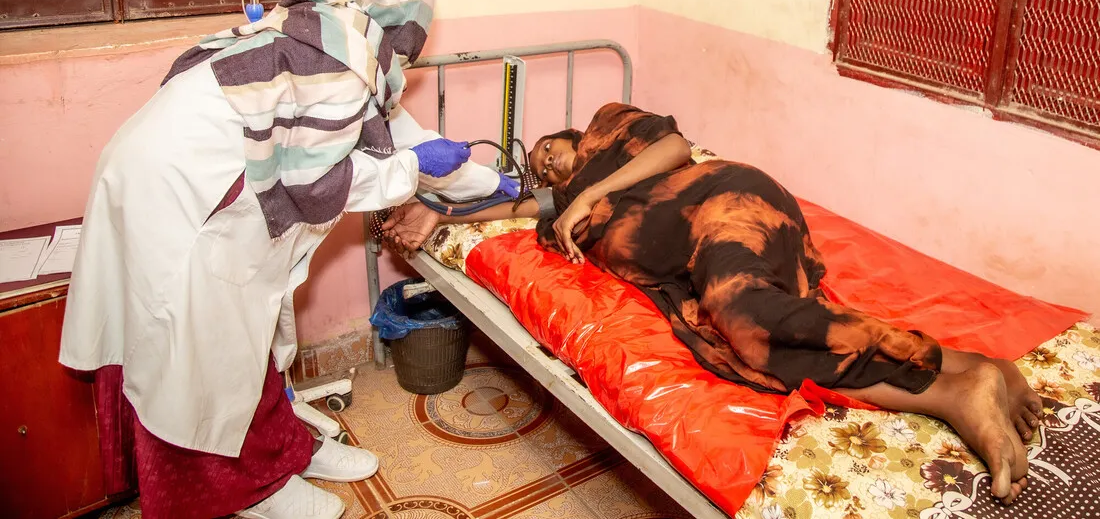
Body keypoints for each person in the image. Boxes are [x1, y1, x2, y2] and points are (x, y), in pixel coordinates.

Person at [383, 102, 1041, 505]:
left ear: (575, 133)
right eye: (544, 172)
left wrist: (588, 193)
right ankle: (970, 372)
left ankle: (950, 390)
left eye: (552, 151)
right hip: (695, 253)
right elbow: (509, 209)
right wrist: (439, 213)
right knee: (748, 339)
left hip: (724, 204)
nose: (550, 166)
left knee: (747, 318)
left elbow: (675, 146)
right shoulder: (563, 201)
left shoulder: (610, 129)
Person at [59, 0, 517, 519]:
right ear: (408, 30)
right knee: (207, 355)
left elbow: (401, 137)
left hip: (180, 177)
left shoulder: (336, 39)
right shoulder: (340, 61)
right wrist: (415, 167)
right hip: (187, 200)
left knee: (246, 342)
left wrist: (492, 182)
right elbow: (319, 184)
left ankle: (287, 451)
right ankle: (253, 490)